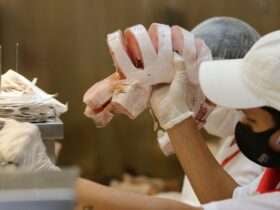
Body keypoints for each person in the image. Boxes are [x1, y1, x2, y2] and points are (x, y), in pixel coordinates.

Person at [157, 17, 264, 205]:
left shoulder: (261, 156)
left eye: (210, 95)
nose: (204, 106)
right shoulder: (228, 143)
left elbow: (228, 205)